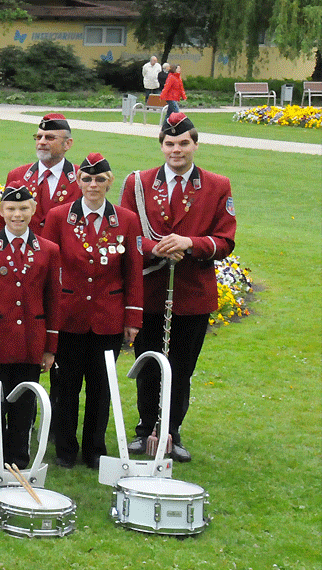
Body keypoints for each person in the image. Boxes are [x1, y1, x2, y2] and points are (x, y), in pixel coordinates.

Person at [120, 113, 236, 463]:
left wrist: (190, 242)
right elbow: (126, 234)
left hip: (191, 294)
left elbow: (225, 240)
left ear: (195, 145)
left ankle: (171, 432)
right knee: (149, 363)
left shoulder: (217, 185)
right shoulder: (138, 183)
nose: (176, 150)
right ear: (161, 146)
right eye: (170, 143)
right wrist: (152, 248)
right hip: (150, 291)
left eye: (184, 143)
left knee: (181, 368)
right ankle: (145, 431)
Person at [43, 153, 143, 470]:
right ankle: (65, 449)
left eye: (100, 179)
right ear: (77, 181)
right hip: (68, 317)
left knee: (102, 389)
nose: (93, 185)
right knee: (66, 386)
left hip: (107, 319)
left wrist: (133, 318)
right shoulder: (59, 217)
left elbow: (133, 272)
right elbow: (45, 268)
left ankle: (95, 450)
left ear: (110, 181)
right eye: (86, 179)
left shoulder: (125, 220)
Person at [0, 182, 61, 470]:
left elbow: (53, 300)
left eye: (23, 209)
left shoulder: (48, 250)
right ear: (1, 211)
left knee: (25, 405)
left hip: (32, 342)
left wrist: (50, 348)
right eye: (11, 209)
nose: (17, 215)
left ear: (33, 210)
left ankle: (19, 460)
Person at [6, 113, 80, 231]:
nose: (42, 142)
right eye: (39, 137)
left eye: (49, 138)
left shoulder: (82, 179)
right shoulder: (17, 176)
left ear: (67, 144)